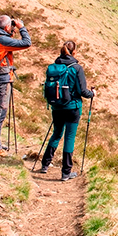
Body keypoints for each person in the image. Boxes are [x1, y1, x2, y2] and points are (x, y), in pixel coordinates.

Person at [38, 40, 95, 181]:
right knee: (69, 137)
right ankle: (66, 172)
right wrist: (93, 94)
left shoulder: (54, 67)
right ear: (74, 52)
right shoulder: (76, 68)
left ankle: (45, 164)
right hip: (72, 107)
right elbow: (82, 91)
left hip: (56, 106)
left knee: (56, 133)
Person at [0, 15, 31, 156]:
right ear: (6, 27)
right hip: (1, 80)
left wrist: (12, 31)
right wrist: (21, 27)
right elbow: (26, 43)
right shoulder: (2, 40)